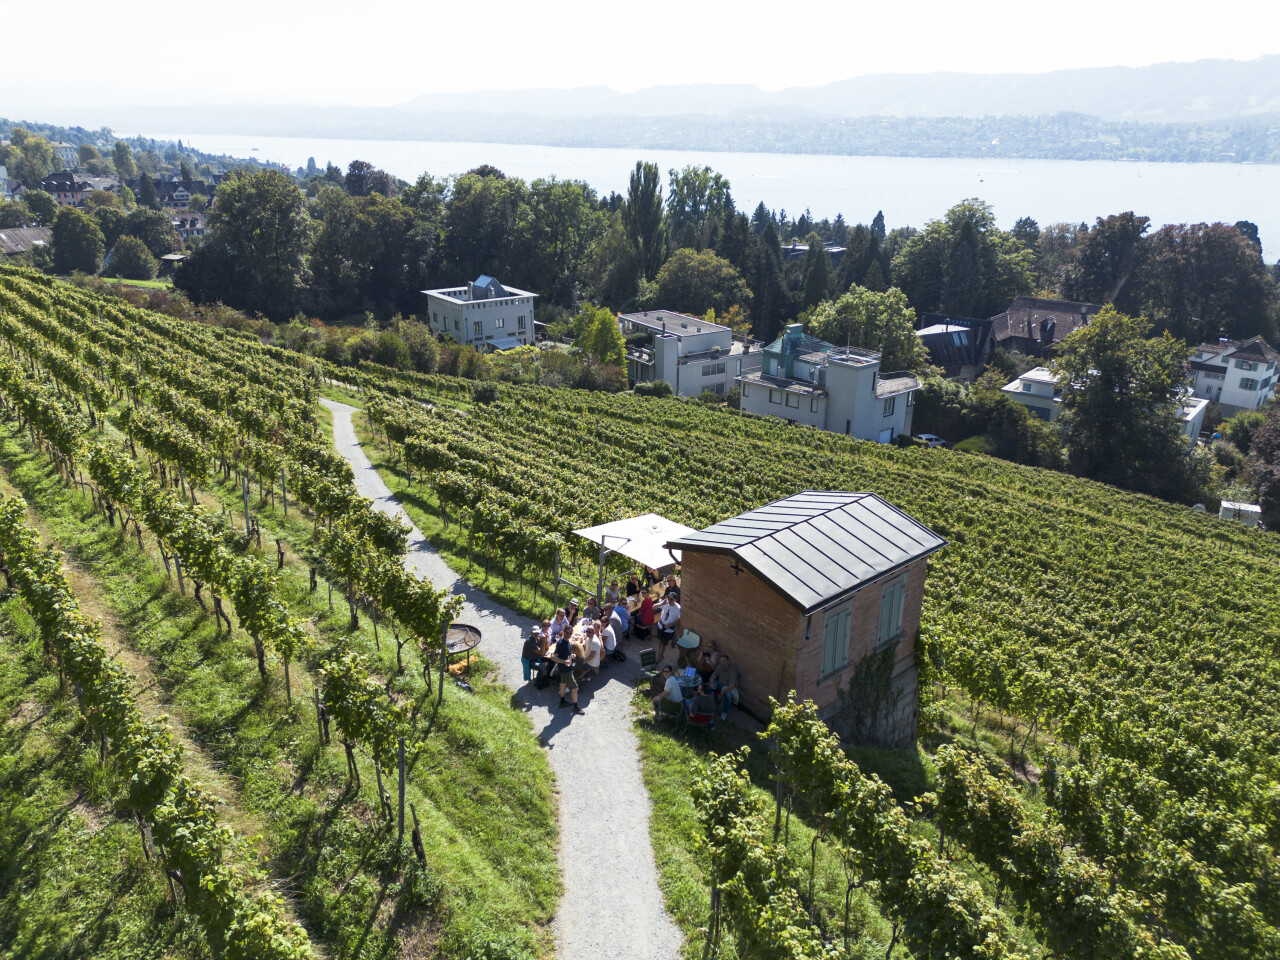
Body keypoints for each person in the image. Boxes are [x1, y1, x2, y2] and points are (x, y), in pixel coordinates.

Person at [551, 631, 584, 714]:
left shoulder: (567, 642)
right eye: (567, 633)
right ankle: (576, 707)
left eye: (570, 633)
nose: (568, 635)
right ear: (563, 632)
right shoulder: (561, 643)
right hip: (566, 669)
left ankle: (562, 701)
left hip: (564, 668)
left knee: (563, 684)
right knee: (575, 688)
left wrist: (571, 655)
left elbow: (565, 653)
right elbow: (553, 657)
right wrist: (564, 661)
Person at [709, 653, 740, 721]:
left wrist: (721, 693)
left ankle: (724, 712)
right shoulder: (719, 667)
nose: (721, 663)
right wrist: (711, 683)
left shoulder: (732, 671)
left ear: (727, 662)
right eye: (720, 661)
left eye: (723, 661)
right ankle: (710, 704)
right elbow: (713, 677)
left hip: (728, 687)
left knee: (728, 696)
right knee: (709, 686)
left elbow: (731, 686)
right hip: (720, 684)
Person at [656, 595, 681, 661]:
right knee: (660, 642)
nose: (669, 600)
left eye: (671, 599)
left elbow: (679, 619)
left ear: (675, 599)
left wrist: (671, 624)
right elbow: (653, 607)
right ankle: (660, 655)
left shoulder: (678, 608)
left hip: (668, 630)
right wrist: (661, 603)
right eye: (669, 598)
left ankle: (658, 658)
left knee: (663, 645)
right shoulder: (665, 603)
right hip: (660, 626)